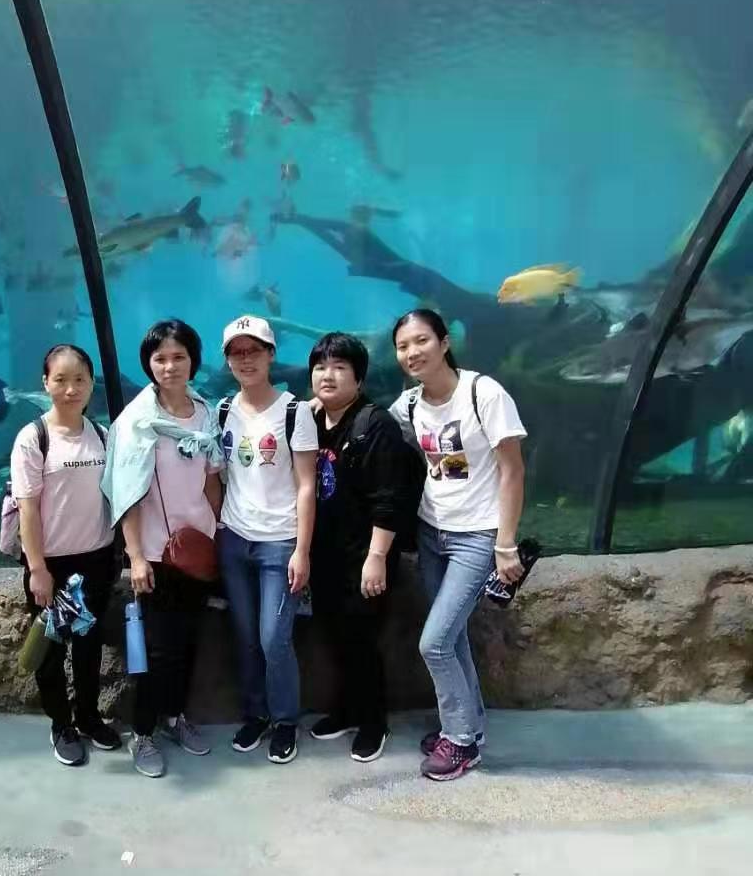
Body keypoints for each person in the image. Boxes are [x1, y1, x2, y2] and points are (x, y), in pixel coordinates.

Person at [390, 309, 527, 781]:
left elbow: (513, 469)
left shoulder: (482, 393)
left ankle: (461, 742)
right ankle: (469, 725)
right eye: (403, 346)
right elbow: (378, 428)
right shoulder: (408, 404)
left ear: (445, 342)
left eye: (421, 341)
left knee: (434, 644)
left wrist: (505, 543)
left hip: (477, 536)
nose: (412, 352)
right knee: (452, 637)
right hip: (432, 532)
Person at [102, 319, 224, 779]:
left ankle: (175, 717)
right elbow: (127, 493)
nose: (170, 366)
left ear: (194, 360)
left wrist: (217, 535)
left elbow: (211, 480)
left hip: (197, 550)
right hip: (154, 554)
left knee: (188, 642)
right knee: (154, 651)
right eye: (160, 359)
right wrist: (134, 557)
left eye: (179, 357)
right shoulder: (137, 422)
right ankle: (143, 733)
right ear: (148, 364)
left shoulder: (205, 412)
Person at [308, 332, 420, 762]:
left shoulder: (375, 425)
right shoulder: (314, 420)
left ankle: (374, 723)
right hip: (326, 556)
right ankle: (346, 711)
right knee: (335, 636)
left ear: (359, 377)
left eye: (339, 367)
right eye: (320, 367)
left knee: (362, 641)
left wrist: (376, 558)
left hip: (364, 556)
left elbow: (389, 498)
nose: (328, 375)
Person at [10, 343, 121, 767]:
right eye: (61, 380)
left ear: (92, 384)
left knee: (89, 645)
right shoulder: (33, 438)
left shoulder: (102, 435)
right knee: (52, 649)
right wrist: (37, 568)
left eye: (79, 380)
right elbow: (28, 509)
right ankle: (61, 724)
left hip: (95, 560)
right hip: (52, 565)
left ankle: (89, 717)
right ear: (45, 383)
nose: (71, 389)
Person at [216, 315, 318, 765]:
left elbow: (306, 485)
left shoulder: (295, 412)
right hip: (234, 538)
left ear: (271, 354)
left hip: (280, 542)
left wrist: (302, 550)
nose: (246, 359)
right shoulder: (223, 410)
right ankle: (256, 714)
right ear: (227, 360)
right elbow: (219, 474)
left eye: (254, 350)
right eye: (237, 352)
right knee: (245, 636)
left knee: (274, 637)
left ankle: (285, 720)